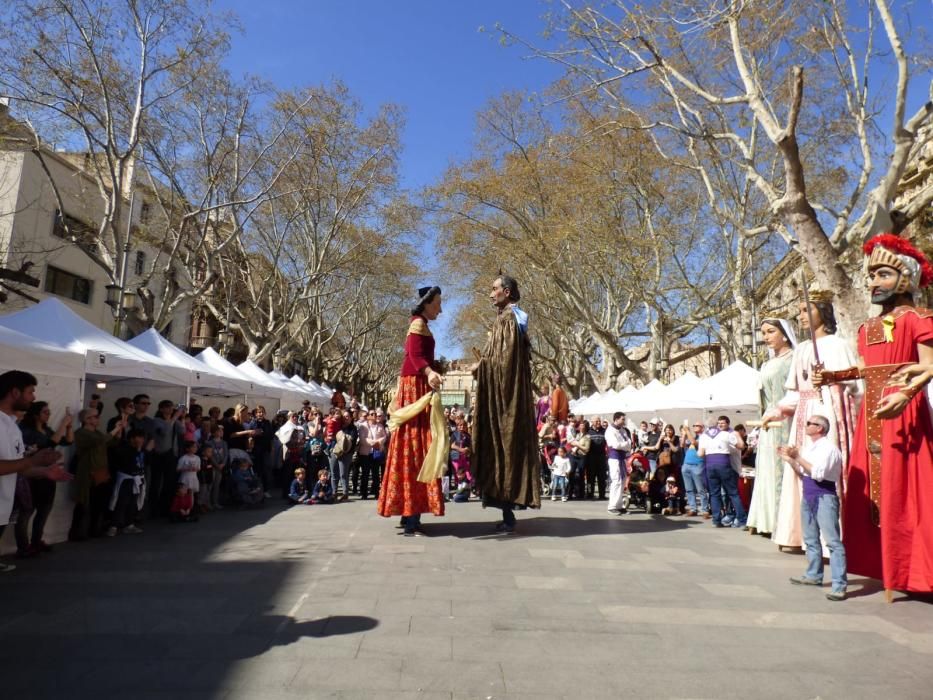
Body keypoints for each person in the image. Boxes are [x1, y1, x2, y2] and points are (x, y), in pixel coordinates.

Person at [815, 234, 933, 599]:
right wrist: (832, 376)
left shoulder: (919, 318)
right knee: (873, 497)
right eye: (870, 276)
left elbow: (929, 365)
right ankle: (886, 567)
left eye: (882, 274)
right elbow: (865, 371)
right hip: (871, 416)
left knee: (908, 490)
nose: (873, 283)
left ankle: (915, 570)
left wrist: (906, 393)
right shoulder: (866, 328)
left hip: (904, 414)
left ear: (906, 278)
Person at [762, 290, 860, 552]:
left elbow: (855, 383)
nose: (801, 316)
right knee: (800, 469)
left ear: (823, 312)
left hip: (829, 411)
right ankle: (799, 535)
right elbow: (794, 392)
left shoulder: (837, 345)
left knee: (824, 470)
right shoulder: (803, 349)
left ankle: (833, 540)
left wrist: (830, 378)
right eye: (800, 311)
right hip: (803, 414)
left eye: (807, 310)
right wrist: (778, 410)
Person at [472, 275, 541, 533]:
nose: (491, 294)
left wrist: (482, 365)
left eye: (494, 289)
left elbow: (506, 361)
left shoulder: (509, 320)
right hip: (503, 398)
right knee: (501, 450)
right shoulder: (504, 320)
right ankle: (506, 511)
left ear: (507, 292)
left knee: (506, 448)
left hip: (506, 400)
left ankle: (509, 514)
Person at [377, 285, 446, 536]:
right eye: (437, 303)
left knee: (413, 447)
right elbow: (414, 356)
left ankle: (409, 513)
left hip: (416, 386)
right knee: (416, 447)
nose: (440, 308)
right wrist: (429, 371)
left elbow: (419, 357)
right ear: (427, 304)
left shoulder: (420, 324)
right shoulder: (417, 324)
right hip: (415, 388)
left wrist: (434, 366)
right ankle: (411, 516)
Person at [0, 371, 71, 572]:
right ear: (15, 392)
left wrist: (43, 471)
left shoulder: (13, 426)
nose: (33, 397)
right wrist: (32, 461)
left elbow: (18, 466)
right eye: (31, 392)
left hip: (3, 506)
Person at [778, 413, 847, 601]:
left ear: (820, 428)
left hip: (824, 496)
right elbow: (803, 471)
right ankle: (814, 575)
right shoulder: (811, 448)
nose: (807, 425)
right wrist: (790, 459)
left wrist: (797, 456)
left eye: (811, 423)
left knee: (832, 541)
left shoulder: (829, 449)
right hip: (809, 495)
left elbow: (818, 473)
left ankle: (839, 584)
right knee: (810, 538)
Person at [746, 319, 795, 537]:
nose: (765, 337)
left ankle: (782, 522)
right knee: (767, 470)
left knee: (783, 470)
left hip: (788, 421)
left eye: (771, 331)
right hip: (768, 423)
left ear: (785, 334)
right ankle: (764, 520)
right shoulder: (766, 364)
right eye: (763, 332)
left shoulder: (794, 358)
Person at [18, 401, 73, 555]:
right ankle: (23, 547)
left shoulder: (47, 430)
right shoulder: (26, 431)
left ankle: (36, 541)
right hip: (31, 475)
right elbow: (49, 443)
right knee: (26, 512)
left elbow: (67, 441)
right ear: (36, 415)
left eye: (49, 412)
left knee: (44, 510)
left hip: (47, 475)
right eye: (45, 412)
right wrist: (63, 423)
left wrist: (68, 427)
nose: (48, 414)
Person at [70, 407, 124, 541]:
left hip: (101, 472)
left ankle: (94, 529)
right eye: (95, 416)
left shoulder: (98, 433)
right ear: (87, 420)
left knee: (98, 503)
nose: (98, 418)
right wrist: (115, 429)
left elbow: (111, 442)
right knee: (84, 504)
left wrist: (118, 431)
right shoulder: (81, 433)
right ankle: (77, 532)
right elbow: (100, 441)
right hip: (88, 472)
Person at [698, 416, 747, 528]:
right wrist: (737, 435)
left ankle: (716, 520)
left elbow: (700, 454)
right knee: (733, 493)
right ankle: (742, 520)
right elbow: (741, 446)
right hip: (723, 463)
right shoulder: (726, 434)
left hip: (710, 465)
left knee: (714, 494)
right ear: (716, 425)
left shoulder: (703, 436)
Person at [106, 428, 149, 536]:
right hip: (126, 479)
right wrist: (137, 451)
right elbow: (126, 462)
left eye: (143, 438)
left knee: (133, 503)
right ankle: (113, 525)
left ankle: (129, 524)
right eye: (139, 437)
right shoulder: (124, 449)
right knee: (121, 502)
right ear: (132, 438)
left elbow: (145, 463)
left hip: (137, 479)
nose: (142, 440)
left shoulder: (142, 450)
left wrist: (142, 450)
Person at [151, 400, 185, 517]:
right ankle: (154, 509)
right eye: (167, 407)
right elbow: (164, 432)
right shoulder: (157, 421)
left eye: (171, 407)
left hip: (172, 454)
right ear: (161, 409)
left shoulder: (174, 421)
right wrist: (174, 418)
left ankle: (166, 507)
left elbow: (183, 431)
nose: (170, 409)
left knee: (169, 483)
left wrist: (182, 418)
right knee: (156, 483)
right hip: (159, 454)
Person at [605, 411, 633, 515]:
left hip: (622, 458)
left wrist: (625, 445)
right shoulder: (610, 431)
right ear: (616, 419)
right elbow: (615, 444)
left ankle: (619, 505)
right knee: (616, 481)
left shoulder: (623, 430)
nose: (624, 421)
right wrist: (625, 444)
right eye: (622, 419)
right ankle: (612, 506)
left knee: (623, 480)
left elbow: (629, 443)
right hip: (614, 459)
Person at [680, 422, 709, 517]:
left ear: (702, 428)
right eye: (694, 425)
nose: (695, 427)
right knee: (689, 489)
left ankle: (705, 510)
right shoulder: (692, 436)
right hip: (687, 464)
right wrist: (684, 435)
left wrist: (687, 431)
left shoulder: (704, 437)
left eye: (697, 425)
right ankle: (693, 508)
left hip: (697, 464)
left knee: (700, 488)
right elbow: (682, 445)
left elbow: (694, 443)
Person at [566, 420, 590, 501]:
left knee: (581, 474)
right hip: (573, 455)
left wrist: (578, 445)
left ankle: (581, 494)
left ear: (585, 427)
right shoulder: (577, 434)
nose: (580, 427)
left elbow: (586, 449)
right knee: (571, 473)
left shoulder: (587, 437)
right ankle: (569, 494)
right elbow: (571, 442)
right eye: (580, 425)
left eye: (582, 425)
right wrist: (575, 444)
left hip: (582, 456)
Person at [584, 419, 607, 499]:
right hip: (591, 457)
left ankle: (602, 495)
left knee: (602, 477)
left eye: (599, 421)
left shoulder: (604, 431)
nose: (598, 422)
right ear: (592, 422)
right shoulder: (588, 431)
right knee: (590, 478)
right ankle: (590, 494)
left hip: (601, 457)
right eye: (596, 421)